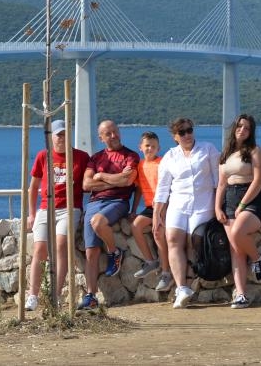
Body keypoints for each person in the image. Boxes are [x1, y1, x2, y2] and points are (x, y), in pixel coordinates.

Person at [154, 118, 220, 309]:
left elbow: (218, 181)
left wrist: (218, 206)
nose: (187, 135)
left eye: (189, 130)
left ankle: (188, 283)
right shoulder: (170, 156)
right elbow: (163, 187)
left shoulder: (208, 149)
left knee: (195, 240)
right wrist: (157, 213)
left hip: (203, 203)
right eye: (182, 132)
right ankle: (181, 288)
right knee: (173, 239)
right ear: (175, 137)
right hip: (178, 204)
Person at [25, 119, 89, 311]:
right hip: (46, 208)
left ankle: (56, 294)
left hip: (70, 208)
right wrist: (31, 213)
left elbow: (89, 181)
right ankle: (32, 296)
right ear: (51, 136)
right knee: (40, 250)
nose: (62, 137)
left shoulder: (81, 157)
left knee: (62, 244)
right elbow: (33, 187)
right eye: (58, 134)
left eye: (64, 133)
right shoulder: (43, 156)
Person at [78, 120, 139, 310]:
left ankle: (114, 252)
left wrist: (102, 176)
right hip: (94, 203)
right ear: (101, 138)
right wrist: (116, 181)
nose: (113, 136)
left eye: (115, 132)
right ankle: (91, 296)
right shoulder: (95, 158)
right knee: (91, 251)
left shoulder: (131, 156)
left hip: (118, 202)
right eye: (108, 134)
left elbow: (127, 180)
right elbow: (86, 185)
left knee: (98, 223)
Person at [215, 114, 261, 309]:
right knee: (236, 249)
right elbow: (221, 184)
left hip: (253, 199)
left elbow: (258, 181)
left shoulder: (255, 151)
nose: (242, 130)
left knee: (239, 233)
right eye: (239, 126)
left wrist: (242, 205)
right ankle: (241, 295)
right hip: (230, 199)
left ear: (251, 132)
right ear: (234, 128)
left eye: (247, 128)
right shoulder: (226, 154)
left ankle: (257, 258)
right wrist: (217, 207)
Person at [130, 131, 172, 292]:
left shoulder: (162, 163)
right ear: (140, 147)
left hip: (163, 206)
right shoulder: (140, 165)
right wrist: (134, 209)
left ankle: (166, 273)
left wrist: (164, 209)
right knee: (135, 226)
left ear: (158, 148)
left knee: (158, 235)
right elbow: (139, 189)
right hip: (149, 207)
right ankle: (150, 261)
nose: (150, 149)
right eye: (147, 145)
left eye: (153, 146)